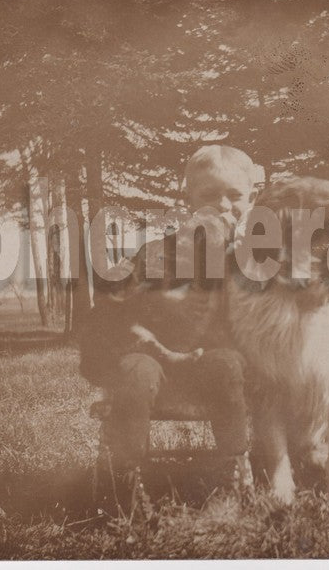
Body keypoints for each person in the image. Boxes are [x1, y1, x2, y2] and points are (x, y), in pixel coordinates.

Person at [81, 145, 257, 503]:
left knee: (226, 363)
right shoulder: (158, 252)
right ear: (188, 199)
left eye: (235, 196)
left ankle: (233, 469)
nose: (223, 206)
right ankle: (124, 477)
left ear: (252, 199)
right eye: (209, 195)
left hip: (220, 372)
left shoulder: (252, 260)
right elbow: (111, 307)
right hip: (156, 366)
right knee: (135, 371)